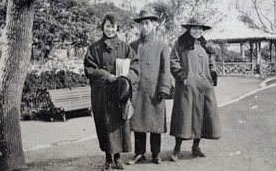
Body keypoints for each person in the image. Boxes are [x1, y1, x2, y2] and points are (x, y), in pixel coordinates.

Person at [84, 13, 139, 171]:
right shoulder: (94, 48)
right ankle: (108, 158)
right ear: (103, 27)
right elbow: (90, 68)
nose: (110, 29)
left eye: (113, 27)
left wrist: (127, 78)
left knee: (118, 125)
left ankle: (118, 158)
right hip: (101, 93)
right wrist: (105, 75)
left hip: (119, 94)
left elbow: (135, 66)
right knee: (104, 125)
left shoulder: (124, 47)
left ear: (117, 28)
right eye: (107, 26)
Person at [169, 16, 221, 162]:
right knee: (183, 118)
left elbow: (211, 62)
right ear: (189, 29)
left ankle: (195, 147)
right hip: (186, 87)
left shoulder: (205, 45)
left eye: (200, 29)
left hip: (204, 87)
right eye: (195, 28)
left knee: (201, 117)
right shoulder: (180, 43)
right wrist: (182, 77)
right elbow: (173, 61)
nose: (197, 31)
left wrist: (213, 75)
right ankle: (177, 149)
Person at [128, 10, 171, 165]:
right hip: (137, 90)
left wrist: (164, 88)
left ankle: (156, 153)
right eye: (141, 24)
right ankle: (139, 153)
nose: (144, 27)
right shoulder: (132, 45)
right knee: (138, 123)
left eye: (147, 23)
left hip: (154, 90)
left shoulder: (162, 46)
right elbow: (129, 68)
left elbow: (166, 69)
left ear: (153, 24)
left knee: (155, 124)